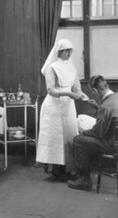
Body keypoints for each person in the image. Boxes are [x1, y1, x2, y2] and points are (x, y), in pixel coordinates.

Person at [67, 75, 118, 190]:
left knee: (79, 140)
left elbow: (98, 133)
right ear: (107, 86)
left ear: (94, 90)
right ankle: (82, 173)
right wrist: (98, 108)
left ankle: (84, 179)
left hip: (117, 145)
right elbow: (112, 114)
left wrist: (84, 132)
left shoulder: (106, 106)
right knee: (88, 140)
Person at [35, 39, 89, 181]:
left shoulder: (71, 67)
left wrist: (84, 96)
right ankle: (56, 168)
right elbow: (51, 90)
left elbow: (77, 87)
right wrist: (69, 94)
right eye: (66, 51)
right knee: (55, 137)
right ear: (59, 51)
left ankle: (68, 167)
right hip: (54, 106)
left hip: (68, 106)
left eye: (70, 51)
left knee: (69, 135)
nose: (68, 53)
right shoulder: (51, 67)